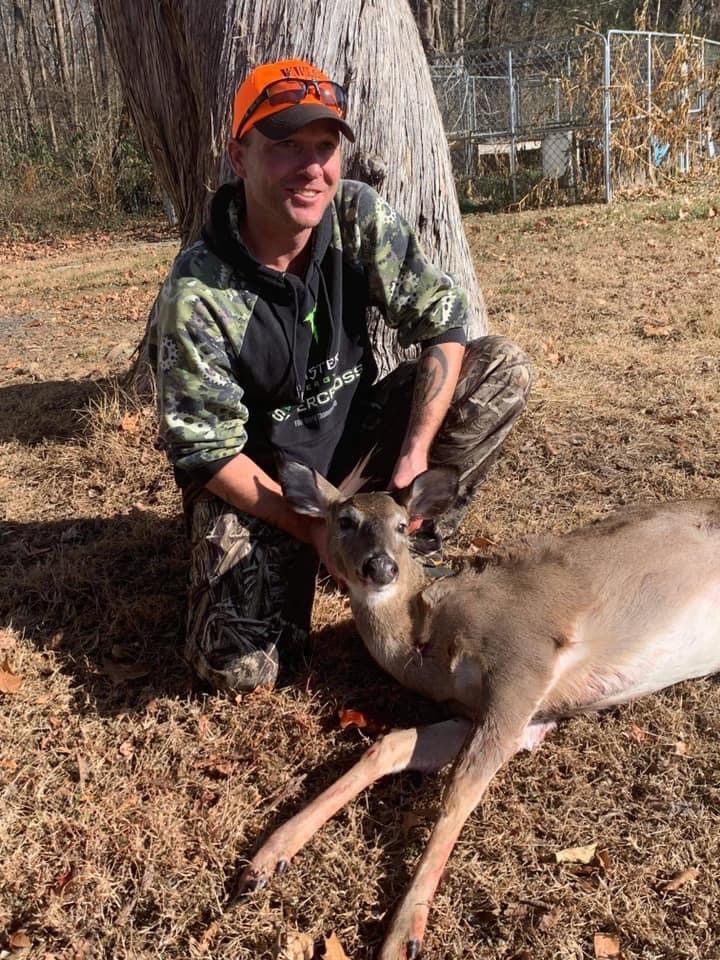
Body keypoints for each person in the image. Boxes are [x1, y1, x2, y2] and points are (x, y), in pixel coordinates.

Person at [149, 57, 532, 694]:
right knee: (241, 668)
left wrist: (410, 461)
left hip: (364, 452)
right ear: (238, 155)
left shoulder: (356, 217)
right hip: (274, 488)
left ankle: (408, 541)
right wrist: (317, 532)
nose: (312, 168)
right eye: (286, 146)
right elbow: (206, 450)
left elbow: (443, 323)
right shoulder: (200, 293)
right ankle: (329, 557)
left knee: (499, 369)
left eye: (325, 147)